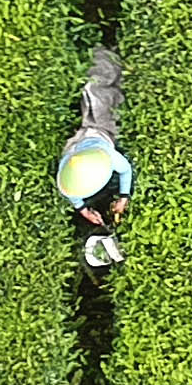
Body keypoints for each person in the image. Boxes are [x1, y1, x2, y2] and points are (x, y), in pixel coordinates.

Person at [58, 45, 133, 267]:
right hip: (80, 142)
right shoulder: (69, 169)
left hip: (98, 133)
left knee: (101, 97)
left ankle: (106, 56)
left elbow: (125, 170)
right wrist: (85, 212)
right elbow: (73, 194)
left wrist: (123, 197)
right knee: (97, 97)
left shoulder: (108, 154)